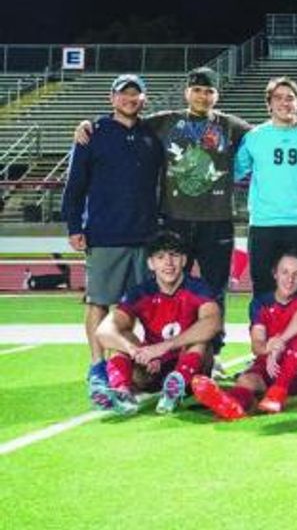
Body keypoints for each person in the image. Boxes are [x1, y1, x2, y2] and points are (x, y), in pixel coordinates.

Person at [74, 66, 251, 297]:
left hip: (216, 222)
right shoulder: (164, 121)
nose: (202, 96)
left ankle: (212, 334)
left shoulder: (231, 125)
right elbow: (124, 119)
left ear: (216, 95)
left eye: (209, 91)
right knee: (171, 288)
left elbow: (269, 134)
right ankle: (175, 334)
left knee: (215, 291)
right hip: (174, 221)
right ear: (186, 93)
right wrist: (91, 124)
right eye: (196, 90)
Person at [62, 74, 164, 402]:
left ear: (144, 100)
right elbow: (75, 185)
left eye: (136, 94)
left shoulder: (152, 136)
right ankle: (97, 366)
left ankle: (136, 364)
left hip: (146, 235)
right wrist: (74, 226)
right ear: (112, 98)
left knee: (143, 307)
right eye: (124, 94)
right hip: (105, 234)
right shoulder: (94, 134)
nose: (130, 99)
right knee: (99, 302)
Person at [91, 231, 222, 415]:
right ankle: (122, 393)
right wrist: (135, 351)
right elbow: (104, 331)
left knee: (200, 341)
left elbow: (213, 323)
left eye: (174, 256)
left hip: (190, 366)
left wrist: (165, 346)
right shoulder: (141, 292)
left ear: (184, 260)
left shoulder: (198, 288)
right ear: (151, 263)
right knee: (121, 337)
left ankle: (175, 389)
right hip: (152, 366)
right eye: (160, 257)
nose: (168, 263)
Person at [191, 250, 297, 419]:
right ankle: (231, 406)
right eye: (285, 272)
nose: (290, 280)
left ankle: (278, 391)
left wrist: (279, 340)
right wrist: (268, 347)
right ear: (275, 274)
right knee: (246, 381)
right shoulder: (261, 303)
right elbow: (257, 345)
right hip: (270, 366)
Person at [233, 76, 297, 295]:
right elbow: (235, 172)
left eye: (290, 98)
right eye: (278, 98)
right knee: (263, 288)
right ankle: (263, 330)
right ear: (269, 104)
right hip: (264, 223)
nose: (285, 103)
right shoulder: (254, 137)